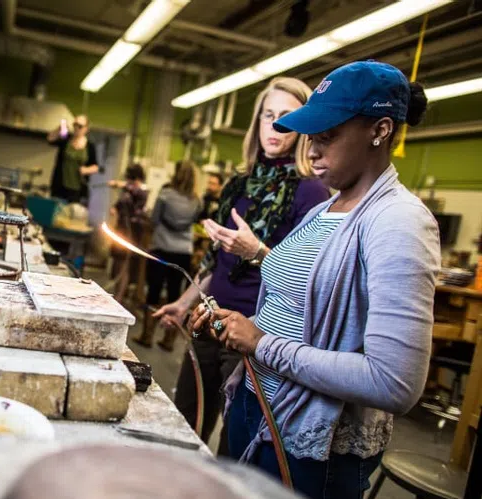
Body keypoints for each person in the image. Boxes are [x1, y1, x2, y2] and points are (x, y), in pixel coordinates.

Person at [188, 61, 439, 499]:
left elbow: (394, 382)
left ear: (379, 130)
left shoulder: (399, 222)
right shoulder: (321, 212)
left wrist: (262, 345)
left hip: (310, 446)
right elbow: (292, 307)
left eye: (326, 137)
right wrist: (239, 324)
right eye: (310, 138)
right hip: (257, 407)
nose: (313, 151)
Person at [153, 77, 330, 455]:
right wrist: (185, 303)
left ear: (303, 126)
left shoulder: (311, 190)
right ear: (257, 121)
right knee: (185, 423)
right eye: (268, 115)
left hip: (253, 333)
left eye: (287, 117)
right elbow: (216, 259)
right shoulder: (240, 182)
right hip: (208, 319)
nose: (276, 126)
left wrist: (258, 250)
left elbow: (307, 276)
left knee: (234, 444)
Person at [135, 161, 201, 350]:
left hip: (162, 248)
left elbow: (154, 220)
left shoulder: (165, 195)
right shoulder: (196, 201)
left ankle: (147, 335)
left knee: (154, 292)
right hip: (183, 251)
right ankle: (169, 339)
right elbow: (194, 222)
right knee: (175, 294)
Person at [109, 164, 149, 303]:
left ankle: (119, 298)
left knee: (125, 264)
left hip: (132, 231)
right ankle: (115, 294)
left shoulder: (142, 189)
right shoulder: (129, 190)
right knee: (118, 262)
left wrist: (120, 184)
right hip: (121, 228)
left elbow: (137, 193)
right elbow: (121, 203)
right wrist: (115, 207)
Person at [47, 114, 101, 204]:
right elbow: (50, 139)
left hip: (77, 189)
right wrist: (58, 129)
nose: (76, 128)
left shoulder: (90, 146)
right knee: (54, 211)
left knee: (71, 214)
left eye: (80, 126)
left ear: (86, 129)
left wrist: (86, 170)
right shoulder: (66, 138)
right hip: (59, 185)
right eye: (75, 125)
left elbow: (95, 167)